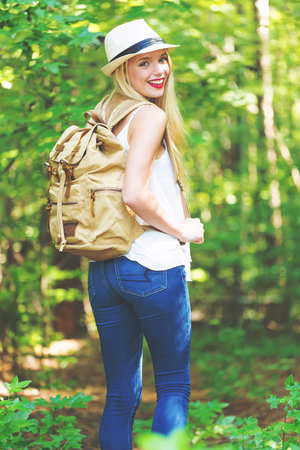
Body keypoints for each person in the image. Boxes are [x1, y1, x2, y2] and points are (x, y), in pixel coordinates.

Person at [87, 19, 204, 449]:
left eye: (162, 58)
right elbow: (135, 195)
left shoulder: (103, 113)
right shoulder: (149, 116)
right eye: (144, 63)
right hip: (153, 266)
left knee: (119, 397)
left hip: (104, 270)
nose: (159, 70)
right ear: (123, 71)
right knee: (173, 386)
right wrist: (183, 230)